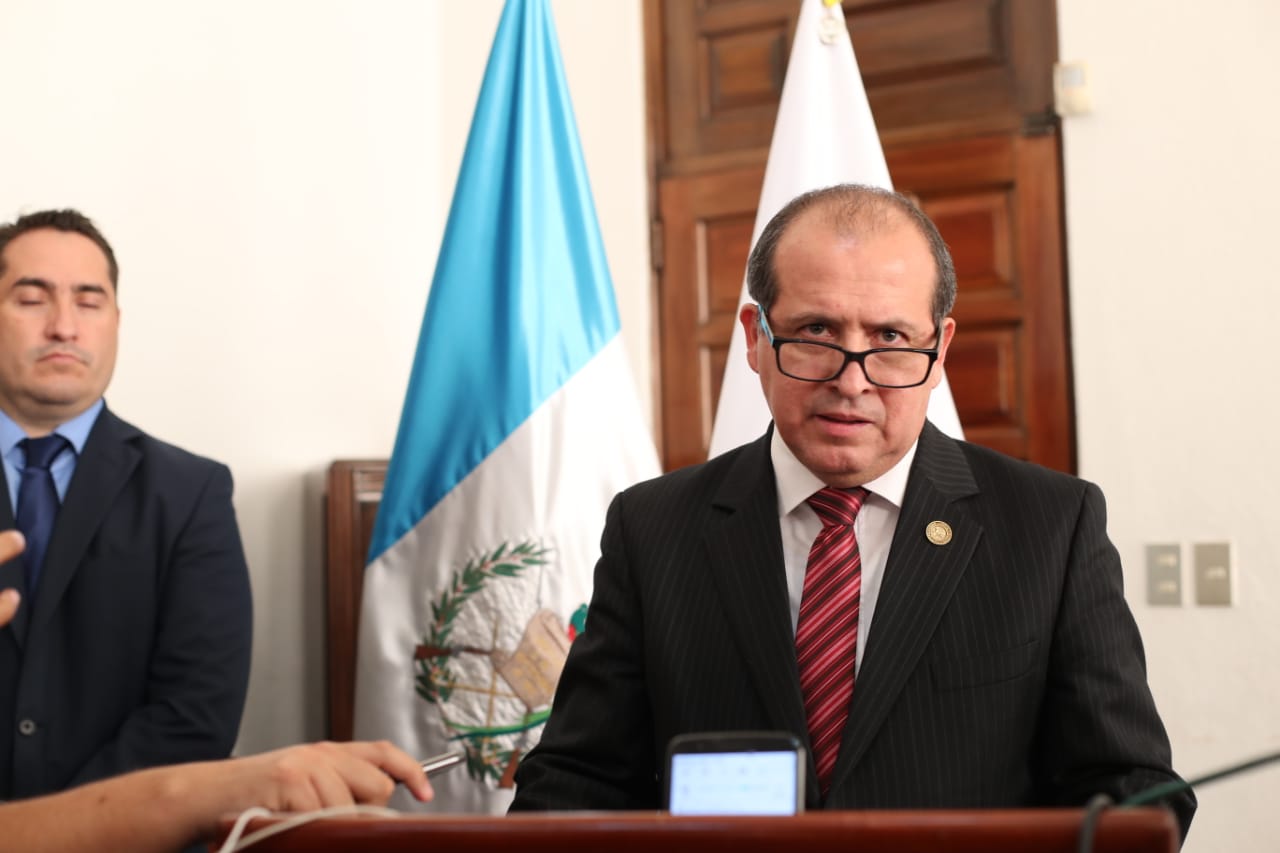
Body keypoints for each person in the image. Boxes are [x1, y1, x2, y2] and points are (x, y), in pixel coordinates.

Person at [510, 184, 1195, 839]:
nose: (853, 379)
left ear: (940, 349)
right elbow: (579, 779)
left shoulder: (1051, 525)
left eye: (892, 338)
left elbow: (1127, 787)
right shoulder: (652, 529)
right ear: (756, 336)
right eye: (816, 330)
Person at [0, 209, 253, 799]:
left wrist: (48, 836)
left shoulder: (192, 494)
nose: (64, 326)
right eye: (32, 299)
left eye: (89, 302)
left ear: (116, 322)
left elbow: (195, 718)